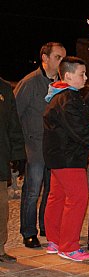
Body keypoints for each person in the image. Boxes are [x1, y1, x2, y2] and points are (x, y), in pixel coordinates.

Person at [43, 57, 89, 262]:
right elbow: (81, 132)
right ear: (68, 76)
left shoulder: (63, 96)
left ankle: (55, 240)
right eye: (82, 74)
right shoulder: (67, 99)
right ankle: (69, 246)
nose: (85, 77)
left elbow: (80, 113)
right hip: (68, 158)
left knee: (57, 198)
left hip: (58, 157)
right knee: (77, 199)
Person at [14, 41, 66, 248]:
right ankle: (28, 232)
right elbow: (14, 113)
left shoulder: (62, 83)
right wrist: (19, 146)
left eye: (63, 58)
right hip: (34, 146)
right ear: (44, 59)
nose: (61, 62)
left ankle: (47, 226)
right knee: (32, 191)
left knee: (52, 190)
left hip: (53, 146)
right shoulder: (29, 82)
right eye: (57, 58)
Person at [1, 76, 26, 262]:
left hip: (0, 158)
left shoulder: (4, 88)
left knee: (2, 208)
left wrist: (18, 154)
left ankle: (0, 249)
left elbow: (13, 123)